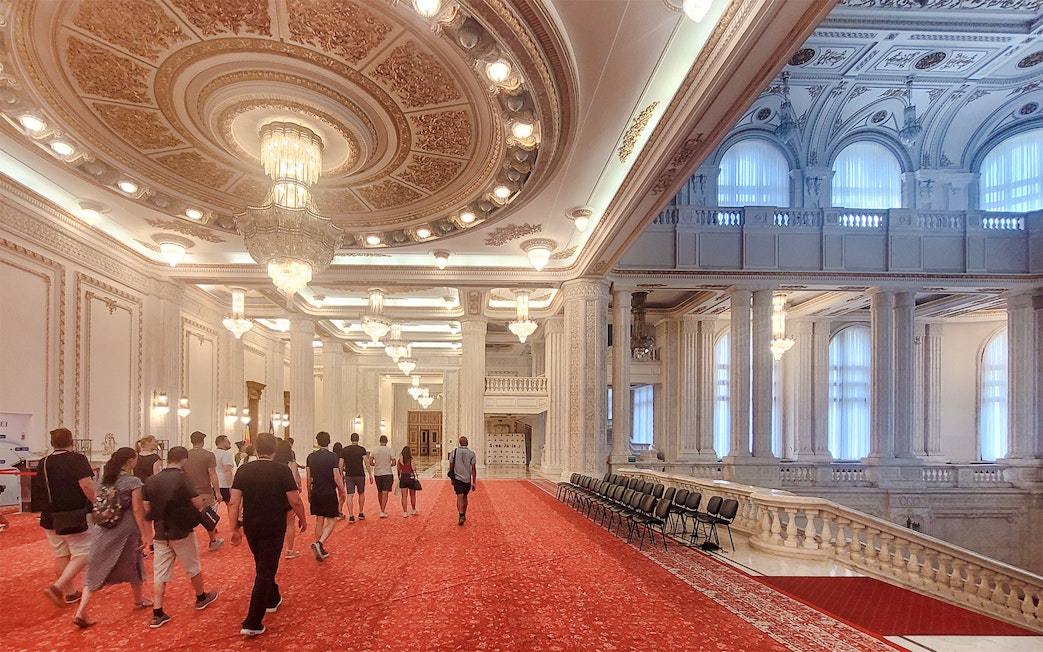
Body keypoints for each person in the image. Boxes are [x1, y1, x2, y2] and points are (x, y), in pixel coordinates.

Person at [228, 432, 308, 638]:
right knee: (265, 569)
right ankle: (253, 621)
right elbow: (295, 500)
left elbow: (234, 502)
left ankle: (272, 598)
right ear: (274, 450)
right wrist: (303, 518)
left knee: (262, 564)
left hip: (251, 525)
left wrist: (233, 528)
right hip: (274, 525)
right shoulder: (281, 470)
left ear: (255, 449)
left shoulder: (243, 470)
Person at [72, 447, 153, 628]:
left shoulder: (104, 480)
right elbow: (138, 509)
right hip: (126, 529)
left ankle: (82, 610)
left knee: (97, 568)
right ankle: (138, 600)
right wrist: (145, 533)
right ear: (130, 461)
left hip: (103, 528)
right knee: (134, 560)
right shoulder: (133, 481)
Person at [142, 446, 218, 628]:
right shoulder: (182, 478)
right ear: (184, 459)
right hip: (181, 530)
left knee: (160, 573)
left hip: (160, 532)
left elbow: (146, 508)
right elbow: (197, 502)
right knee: (192, 566)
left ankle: (157, 612)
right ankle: (201, 597)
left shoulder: (151, 480)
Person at [41, 427, 95, 608]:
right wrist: (98, 504)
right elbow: (86, 485)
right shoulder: (78, 459)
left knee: (61, 555)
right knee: (85, 554)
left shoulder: (44, 462)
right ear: (72, 441)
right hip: (74, 514)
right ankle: (57, 587)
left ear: (52, 443)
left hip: (50, 516)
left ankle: (71, 593)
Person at [305, 432, 344, 561]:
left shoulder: (311, 457)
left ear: (317, 442)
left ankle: (319, 546)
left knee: (319, 520)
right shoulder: (332, 456)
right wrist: (342, 491)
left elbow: (309, 477)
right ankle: (319, 543)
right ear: (329, 441)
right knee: (332, 520)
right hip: (328, 492)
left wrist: (309, 492)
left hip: (316, 491)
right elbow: (336, 476)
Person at [184, 431, 223, 552]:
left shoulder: (186, 455)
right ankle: (212, 541)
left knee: (188, 517)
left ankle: (187, 544)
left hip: (188, 491)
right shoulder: (208, 455)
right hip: (204, 490)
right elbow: (212, 474)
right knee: (207, 516)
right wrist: (217, 491)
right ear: (203, 441)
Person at [273, 439, 303, 558]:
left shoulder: (273, 464)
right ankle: (290, 550)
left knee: (275, 523)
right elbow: (295, 480)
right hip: (288, 495)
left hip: (274, 494)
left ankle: (275, 548)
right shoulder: (292, 464)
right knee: (290, 523)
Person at [339, 432, 372, 522]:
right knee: (361, 493)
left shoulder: (345, 450)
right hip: (360, 474)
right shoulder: (362, 449)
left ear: (351, 439)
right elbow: (366, 462)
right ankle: (360, 512)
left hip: (349, 474)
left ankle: (351, 515)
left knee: (350, 495)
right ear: (358, 439)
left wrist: (341, 474)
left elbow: (341, 463)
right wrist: (370, 474)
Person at [450, 436, 477, 526]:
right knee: (465, 496)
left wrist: (452, 478)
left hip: (457, 478)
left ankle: (461, 515)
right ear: (467, 442)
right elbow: (473, 468)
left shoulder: (454, 452)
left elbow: (451, 465)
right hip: (467, 478)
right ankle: (464, 513)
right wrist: (474, 482)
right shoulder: (471, 453)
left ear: (459, 443)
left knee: (459, 496)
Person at [369, 435, 396, 518]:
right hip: (387, 472)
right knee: (385, 492)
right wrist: (387, 465)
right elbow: (394, 462)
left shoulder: (374, 450)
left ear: (379, 441)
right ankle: (382, 510)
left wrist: (377, 464)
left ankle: (382, 508)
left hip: (377, 473)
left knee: (380, 491)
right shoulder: (390, 450)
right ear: (387, 441)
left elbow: (370, 462)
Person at [397, 445, 419, 518]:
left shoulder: (400, 460)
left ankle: (405, 512)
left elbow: (398, 469)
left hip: (403, 477)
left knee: (404, 496)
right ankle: (413, 509)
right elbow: (413, 468)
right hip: (410, 477)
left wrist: (399, 477)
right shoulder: (411, 459)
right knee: (412, 495)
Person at [213, 435, 235, 504]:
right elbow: (227, 470)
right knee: (230, 505)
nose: (230, 443)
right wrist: (232, 485)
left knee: (215, 508)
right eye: (228, 441)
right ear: (222, 443)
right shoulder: (225, 454)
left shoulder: (212, 453)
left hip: (214, 485)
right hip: (225, 485)